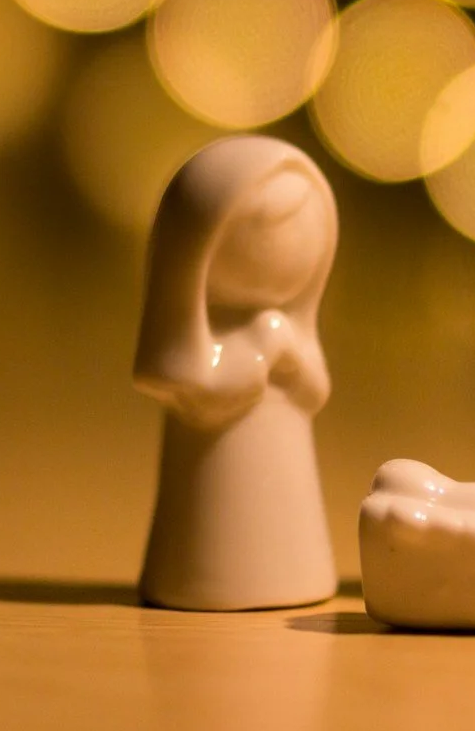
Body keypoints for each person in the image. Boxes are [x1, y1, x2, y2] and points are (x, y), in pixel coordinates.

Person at [133, 136, 338, 611]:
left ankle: (295, 572)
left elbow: (315, 390)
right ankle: (212, 581)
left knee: (289, 525)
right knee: (216, 527)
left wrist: (290, 356)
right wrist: (260, 352)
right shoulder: (202, 334)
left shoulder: (287, 328)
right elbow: (197, 388)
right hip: (213, 476)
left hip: (285, 466)